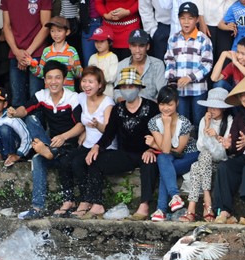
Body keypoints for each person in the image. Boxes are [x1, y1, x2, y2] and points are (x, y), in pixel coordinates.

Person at [8, 60, 84, 220]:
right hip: (50, 145)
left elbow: (80, 126)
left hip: (69, 146)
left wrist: (63, 137)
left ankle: (48, 152)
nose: (53, 82)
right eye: (49, 78)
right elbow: (25, 109)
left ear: (64, 80)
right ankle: (37, 207)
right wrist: (15, 112)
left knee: (39, 157)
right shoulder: (41, 95)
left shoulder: (73, 98)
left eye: (57, 78)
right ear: (45, 80)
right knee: (31, 120)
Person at [83, 67, 159, 220]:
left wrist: (152, 149)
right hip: (125, 153)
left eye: (131, 86)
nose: (127, 90)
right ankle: (97, 204)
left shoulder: (151, 107)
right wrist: (97, 147)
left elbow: (160, 132)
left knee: (149, 164)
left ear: (138, 88)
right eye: (124, 87)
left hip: (146, 152)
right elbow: (109, 132)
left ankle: (144, 206)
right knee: (94, 161)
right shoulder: (118, 109)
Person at [57, 66, 115, 218]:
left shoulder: (107, 102)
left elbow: (109, 131)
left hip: (104, 145)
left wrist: (98, 125)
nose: (86, 85)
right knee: (65, 161)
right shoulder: (81, 97)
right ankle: (69, 199)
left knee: (79, 162)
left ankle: (86, 200)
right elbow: (79, 120)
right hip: (88, 143)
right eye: (84, 81)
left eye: (91, 82)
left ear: (100, 84)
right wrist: (82, 131)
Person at [213, 77, 245, 225]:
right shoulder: (239, 117)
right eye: (244, 95)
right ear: (240, 98)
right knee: (225, 167)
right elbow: (236, 144)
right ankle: (224, 211)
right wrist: (229, 146)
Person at [179, 88, 233, 222]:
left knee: (197, 165)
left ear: (224, 108)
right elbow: (200, 147)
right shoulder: (205, 120)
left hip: (221, 163)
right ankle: (206, 200)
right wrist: (206, 127)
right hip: (206, 161)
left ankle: (192, 208)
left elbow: (223, 154)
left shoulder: (230, 121)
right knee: (202, 158)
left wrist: (214, 136)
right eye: (210, 106)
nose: (212, 110)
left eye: (216, 107)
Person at [147, 85, 199, 222]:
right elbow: (165, 150)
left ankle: (161, 210)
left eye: (169, 104)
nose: (166, 108)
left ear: (177, 103)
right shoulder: (153, 122)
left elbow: (178, 150)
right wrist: (166, 125)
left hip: (189, 155)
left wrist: (154, 144)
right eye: (162, 104)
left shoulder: (185, 123)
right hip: (169, 158)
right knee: (163, 159)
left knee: (164, 167)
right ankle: (175, 197)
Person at [164, 1, 213, 129]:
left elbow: (207, 64)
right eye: (182, 18)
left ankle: (199, 148)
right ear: (178, 19)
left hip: (198, 89)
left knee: (199, 122)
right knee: (182, 123)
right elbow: (169, 60)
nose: (186, 22)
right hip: (179, 90)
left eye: (190, 18)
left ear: (197, 20)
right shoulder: (173, 39)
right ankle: (184, 148)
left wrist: (190, 77)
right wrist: (171, 78)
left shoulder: (204, 39)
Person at [1, 0, 52, 107]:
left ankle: (35, 124)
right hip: (15, 53)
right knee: (17, 98)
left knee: (36, 98)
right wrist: (16, 51)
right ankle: (19, 124)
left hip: (37, 53)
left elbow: (46, 26)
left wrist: (25, 54)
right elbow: (6, 26)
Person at [30, 16, 83, 92]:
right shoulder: (46, 51)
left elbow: (79, 74)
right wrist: (33, 66)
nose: (55, 34)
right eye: (52, 31)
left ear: (67, 32)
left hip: (68, 94)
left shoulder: (71, 51)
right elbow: (42, 73)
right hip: (50, 94)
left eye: (59, 30)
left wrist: (74, 67)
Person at [114, 29, 167, 103]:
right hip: (128, 107)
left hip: (151, 108)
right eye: (134, 46)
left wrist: (149, 107)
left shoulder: (157, 64)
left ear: (147, 47)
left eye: (141, 46)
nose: (137, 50)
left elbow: (162, 92)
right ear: (129, 46)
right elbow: (117, 92)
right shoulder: (122, 65)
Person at [196, 0, 236, 64]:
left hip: (227, 22)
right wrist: (201, 21)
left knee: (225, 60)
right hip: (208, 21)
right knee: (207, 58)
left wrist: (232, 19)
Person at [87, 25, 118, 98]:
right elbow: (88, 75)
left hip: (107, 93)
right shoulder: (92, 57)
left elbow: (111, 78)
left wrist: (95, 77)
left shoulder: (112, 57)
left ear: (109, 42)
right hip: (93, 93)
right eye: (96, 41)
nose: (98, 44)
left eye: (102, 41)